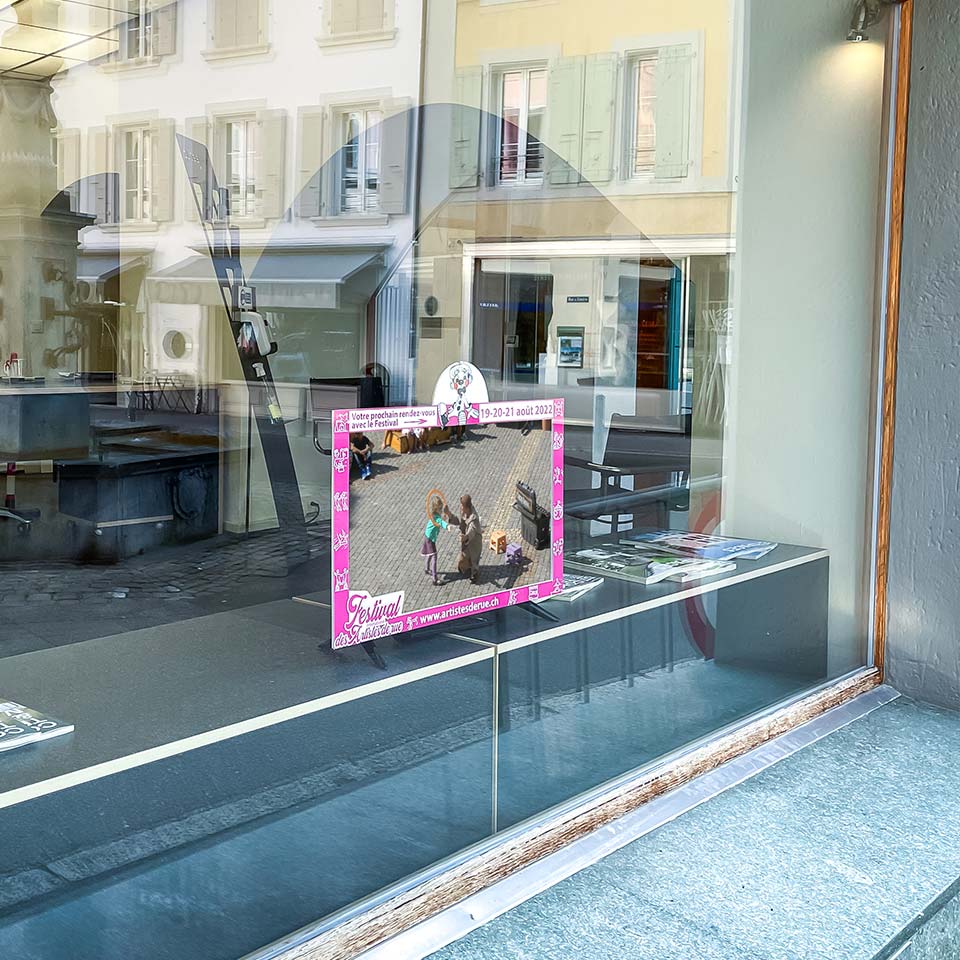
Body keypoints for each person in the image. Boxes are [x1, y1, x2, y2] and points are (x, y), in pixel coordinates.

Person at [448, 494, 482, 584]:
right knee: (462, 560)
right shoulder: (463, 511)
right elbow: (458, 522)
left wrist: (466, 537)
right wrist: (449, 514)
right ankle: (467, 566)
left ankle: (475, 574)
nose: (461, 507)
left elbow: (472, 530)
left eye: (462, 506)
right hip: (466, 541)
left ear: (466, 507)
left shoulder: (474, 518)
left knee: (474, 559)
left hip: (474, 541)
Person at [421, 497, 453, 586]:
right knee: (434, 557)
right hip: (430, 540)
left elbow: (440, 520)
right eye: (440, 508)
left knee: (429, 554)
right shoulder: (436, 518)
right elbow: (441, 522)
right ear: (437, 508)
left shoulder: (433, 516)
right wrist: (447, 526)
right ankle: (434, 579)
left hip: (428, 537)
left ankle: (426, 568)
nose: (441, 510)